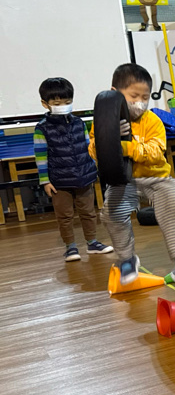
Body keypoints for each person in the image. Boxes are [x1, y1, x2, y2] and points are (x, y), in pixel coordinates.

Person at [90, 63, 175, 291]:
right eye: (134, 96)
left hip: (157, 178)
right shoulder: (102, 121)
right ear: (115, 94)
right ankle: (127, 259)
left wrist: (125, 147)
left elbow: (155, 152)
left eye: (145, 97)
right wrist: (109, 138)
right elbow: (94, 152)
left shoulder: (153, 121)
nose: (140, 102)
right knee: (111, 213)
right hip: (124, 180)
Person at [33, 78, 114, 262]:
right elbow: (41, 157)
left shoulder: (79, 123)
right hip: (59, 181)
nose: (63, 106)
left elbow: (88, 148)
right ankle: (70, 247)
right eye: (57, 104)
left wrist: (93, 170)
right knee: (64, 216)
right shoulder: (42, 128)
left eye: (67, 102)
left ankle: (92, 243)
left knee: (88, 212)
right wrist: (45, 181)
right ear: (45, 104)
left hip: (84, 177)